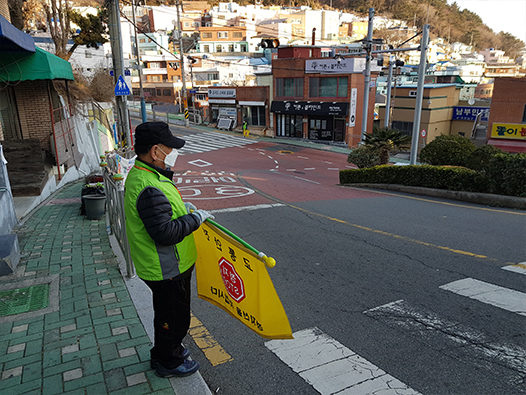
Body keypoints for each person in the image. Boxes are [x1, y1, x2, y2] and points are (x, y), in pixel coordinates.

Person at [124, 121, 214, 378]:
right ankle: (169, 362)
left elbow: (163, 215)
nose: (173, 152)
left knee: (168, 315)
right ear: (155, 151)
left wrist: (183, 210)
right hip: (166, 267)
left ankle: (164, 351)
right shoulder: (148, 185)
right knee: (173, 319)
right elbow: (164, 232)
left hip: (167, 265)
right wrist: (195, 219)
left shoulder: (148, 174)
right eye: (169, 147)